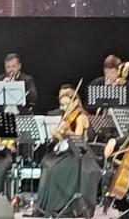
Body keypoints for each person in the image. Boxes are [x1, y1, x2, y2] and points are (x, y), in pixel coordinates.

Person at [35, 86, 100, 216]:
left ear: (75, 102)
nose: (64, 108)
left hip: (79, 156)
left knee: (53, 168)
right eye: (62, 105)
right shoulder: (66, 117)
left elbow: (78, 140)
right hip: (68, 153)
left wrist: (68, 131)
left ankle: (59, 205)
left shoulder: (80, 117)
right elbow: (63, 141)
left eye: (66, 104)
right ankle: (46, 206)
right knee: (46, 162)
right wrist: (56, 135)